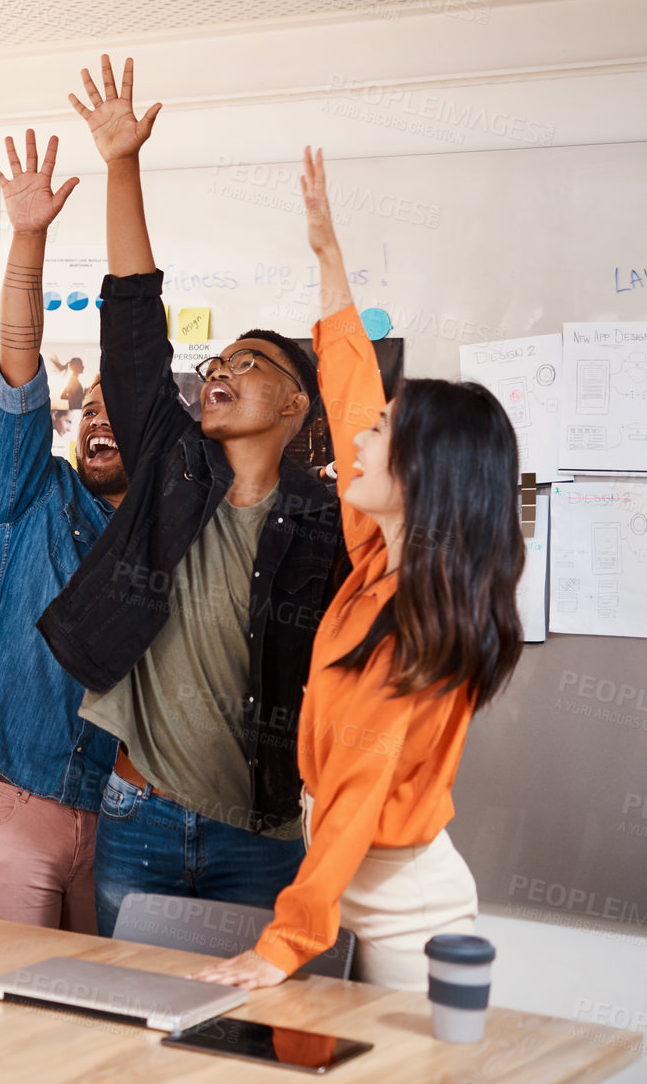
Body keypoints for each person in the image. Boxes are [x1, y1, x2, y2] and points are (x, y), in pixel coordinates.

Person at [192, 149, 523, 991]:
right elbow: (346, 405)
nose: (361, 443)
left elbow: (354, 794)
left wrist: (282, 943)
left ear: (424, 477)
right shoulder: (381, 559)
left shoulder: (414, 626)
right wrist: (328, 263)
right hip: (349, 874)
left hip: (407, 908)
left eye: (387, 434)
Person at [37, 56, 349, 937]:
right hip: (138, 816)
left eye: (249, 363)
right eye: (215, 362)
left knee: (247, 1050)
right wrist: (121, 164)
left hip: (262, 837)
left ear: (296, 405)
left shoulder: (329, 526)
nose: (221, 371)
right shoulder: (172, 466)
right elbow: (134, 321)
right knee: (128, 1050)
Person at [0, 130, 125, 933]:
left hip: (121, 818)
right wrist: (29, 238)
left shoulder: (172, 531)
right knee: (8, 1014)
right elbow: (18, 360)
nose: (99, 421)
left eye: (120, 415)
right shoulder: (33, 492)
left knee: (103, 1032)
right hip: (10, 802)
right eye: (90, 408)